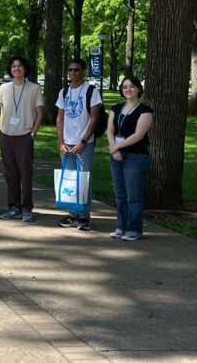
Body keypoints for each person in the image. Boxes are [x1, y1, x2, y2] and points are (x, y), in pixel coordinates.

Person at [56, 58, 103, 231]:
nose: (73, 73)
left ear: (83, 72)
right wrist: (61, 142)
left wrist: (83, 141)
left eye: (76, 70)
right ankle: (73, 215)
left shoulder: (91, 91)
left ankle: (84, 217)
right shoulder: (64, 91)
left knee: (84, 180)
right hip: (66, 144)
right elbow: (60, 118)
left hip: (84, 144)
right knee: (70, 180)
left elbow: (95, 118)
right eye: (70, 70)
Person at [0, 55, 43, 222]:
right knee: (10, 174)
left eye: (19, 66)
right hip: (6, 135)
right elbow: (3, 110)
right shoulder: (4, 88)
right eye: (13, 66)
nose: (16, 69)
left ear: (25, 69)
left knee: (25, 173)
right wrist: (1, 129)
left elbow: (39, 114)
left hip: (24, 135)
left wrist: (33, 133)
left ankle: (27, 208)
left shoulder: (34, 88)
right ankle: (13, 206)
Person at [107, 76, 152, 242]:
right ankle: (121, 227)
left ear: (138, 89)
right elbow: (110, 131)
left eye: (132, 86)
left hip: (136, 157)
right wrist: (114, 149)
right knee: (120, 195)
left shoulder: (145, 110)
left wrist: (117, 147)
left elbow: (139, 135)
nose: (128, 89)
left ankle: (134, 229)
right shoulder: (116, 108)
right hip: (116, 156)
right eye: (125, 87)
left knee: (133, 196)